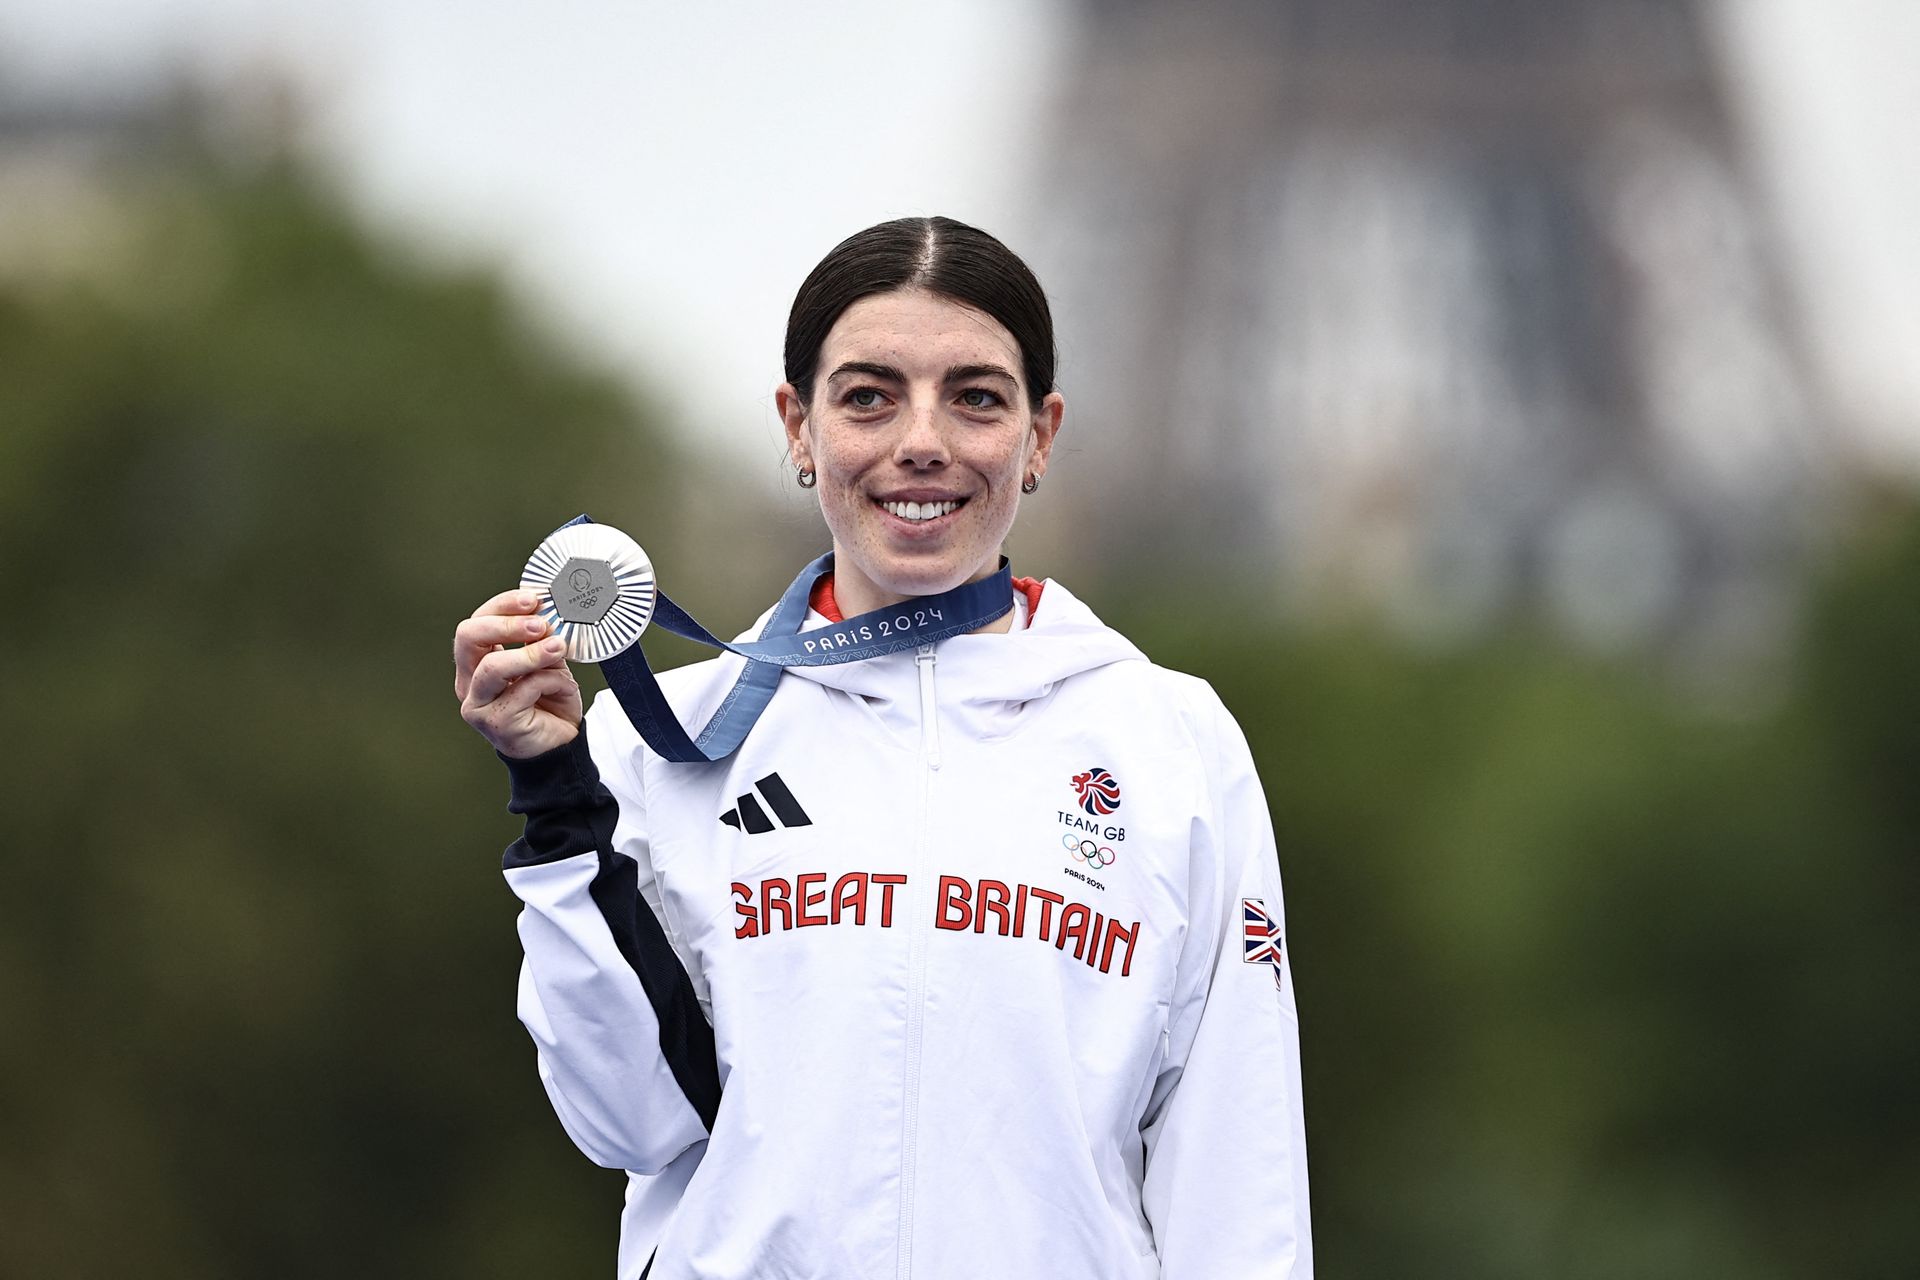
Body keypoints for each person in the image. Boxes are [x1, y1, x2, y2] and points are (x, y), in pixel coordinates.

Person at [453, 217, 1312, 1278]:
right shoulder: (655, 736)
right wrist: (552, 787)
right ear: (798, 426)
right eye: (869, 396)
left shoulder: (1172, 743)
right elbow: (625, 1119)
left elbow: (1236, 1168)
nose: (923, 440)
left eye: (976, 397)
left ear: (1040, 436)